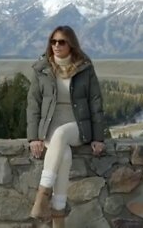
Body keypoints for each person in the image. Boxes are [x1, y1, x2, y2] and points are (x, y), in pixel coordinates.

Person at [27, 25, 106, 228]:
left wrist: (99, 137)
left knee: (62, 134)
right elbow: (33, 105)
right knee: (65, 156)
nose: (56, 45)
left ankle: (41, 197)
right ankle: (58, 222)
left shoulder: (85, 68)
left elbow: (95, 103)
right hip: (49, 127)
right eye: (53, 41)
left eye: (61, 42)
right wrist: (33, 137)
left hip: (77, 126)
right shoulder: (41, 69)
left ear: (71, 44)